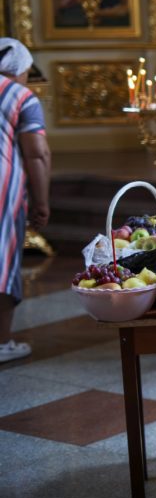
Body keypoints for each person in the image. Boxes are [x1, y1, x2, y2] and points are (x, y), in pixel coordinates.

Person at [0, 39, 50, 363]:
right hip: (3, 190)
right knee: (3, 265)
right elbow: (36, 153)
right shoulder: (20, 96)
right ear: (18, 70)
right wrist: (41, 202)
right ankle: (2, 342)